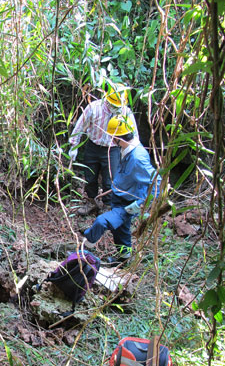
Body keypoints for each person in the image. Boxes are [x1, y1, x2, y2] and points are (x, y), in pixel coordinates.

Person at [81, 115, 161, 265]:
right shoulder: (127, 149)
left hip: (128, 204)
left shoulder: (137, 158)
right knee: (121, 231)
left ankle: (83, 249)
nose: (111, 141)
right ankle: (124, 260)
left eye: (113, 137)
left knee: (101, 222)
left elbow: (156, 183)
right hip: (119, 197)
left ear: (120, 138)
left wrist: (141, 203)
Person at [69, 82, 138, 215]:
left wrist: (132, 154)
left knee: (110, 180)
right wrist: (74, 145)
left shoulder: (125, 112)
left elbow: (134, 134)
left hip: (113, 149)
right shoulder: (94, 108)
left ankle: (107, 206)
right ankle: (91, 202)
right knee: (90, 177)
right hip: (93, 146)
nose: (114, 108)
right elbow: (80, 126)